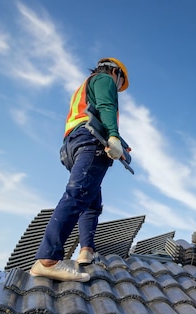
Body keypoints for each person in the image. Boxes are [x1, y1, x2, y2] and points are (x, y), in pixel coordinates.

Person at [30, 57, 131, 282]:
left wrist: (120, 143)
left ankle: (86, 251)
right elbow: (106, 106)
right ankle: (47, 260)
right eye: (120, 82)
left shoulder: (85, 86)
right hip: (90, 141)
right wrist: (113, 136)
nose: (118, 87)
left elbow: (92, 114)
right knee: (77, 195)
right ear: (116, 72)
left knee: (90, 201)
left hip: (72, 144)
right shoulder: (105, 79)